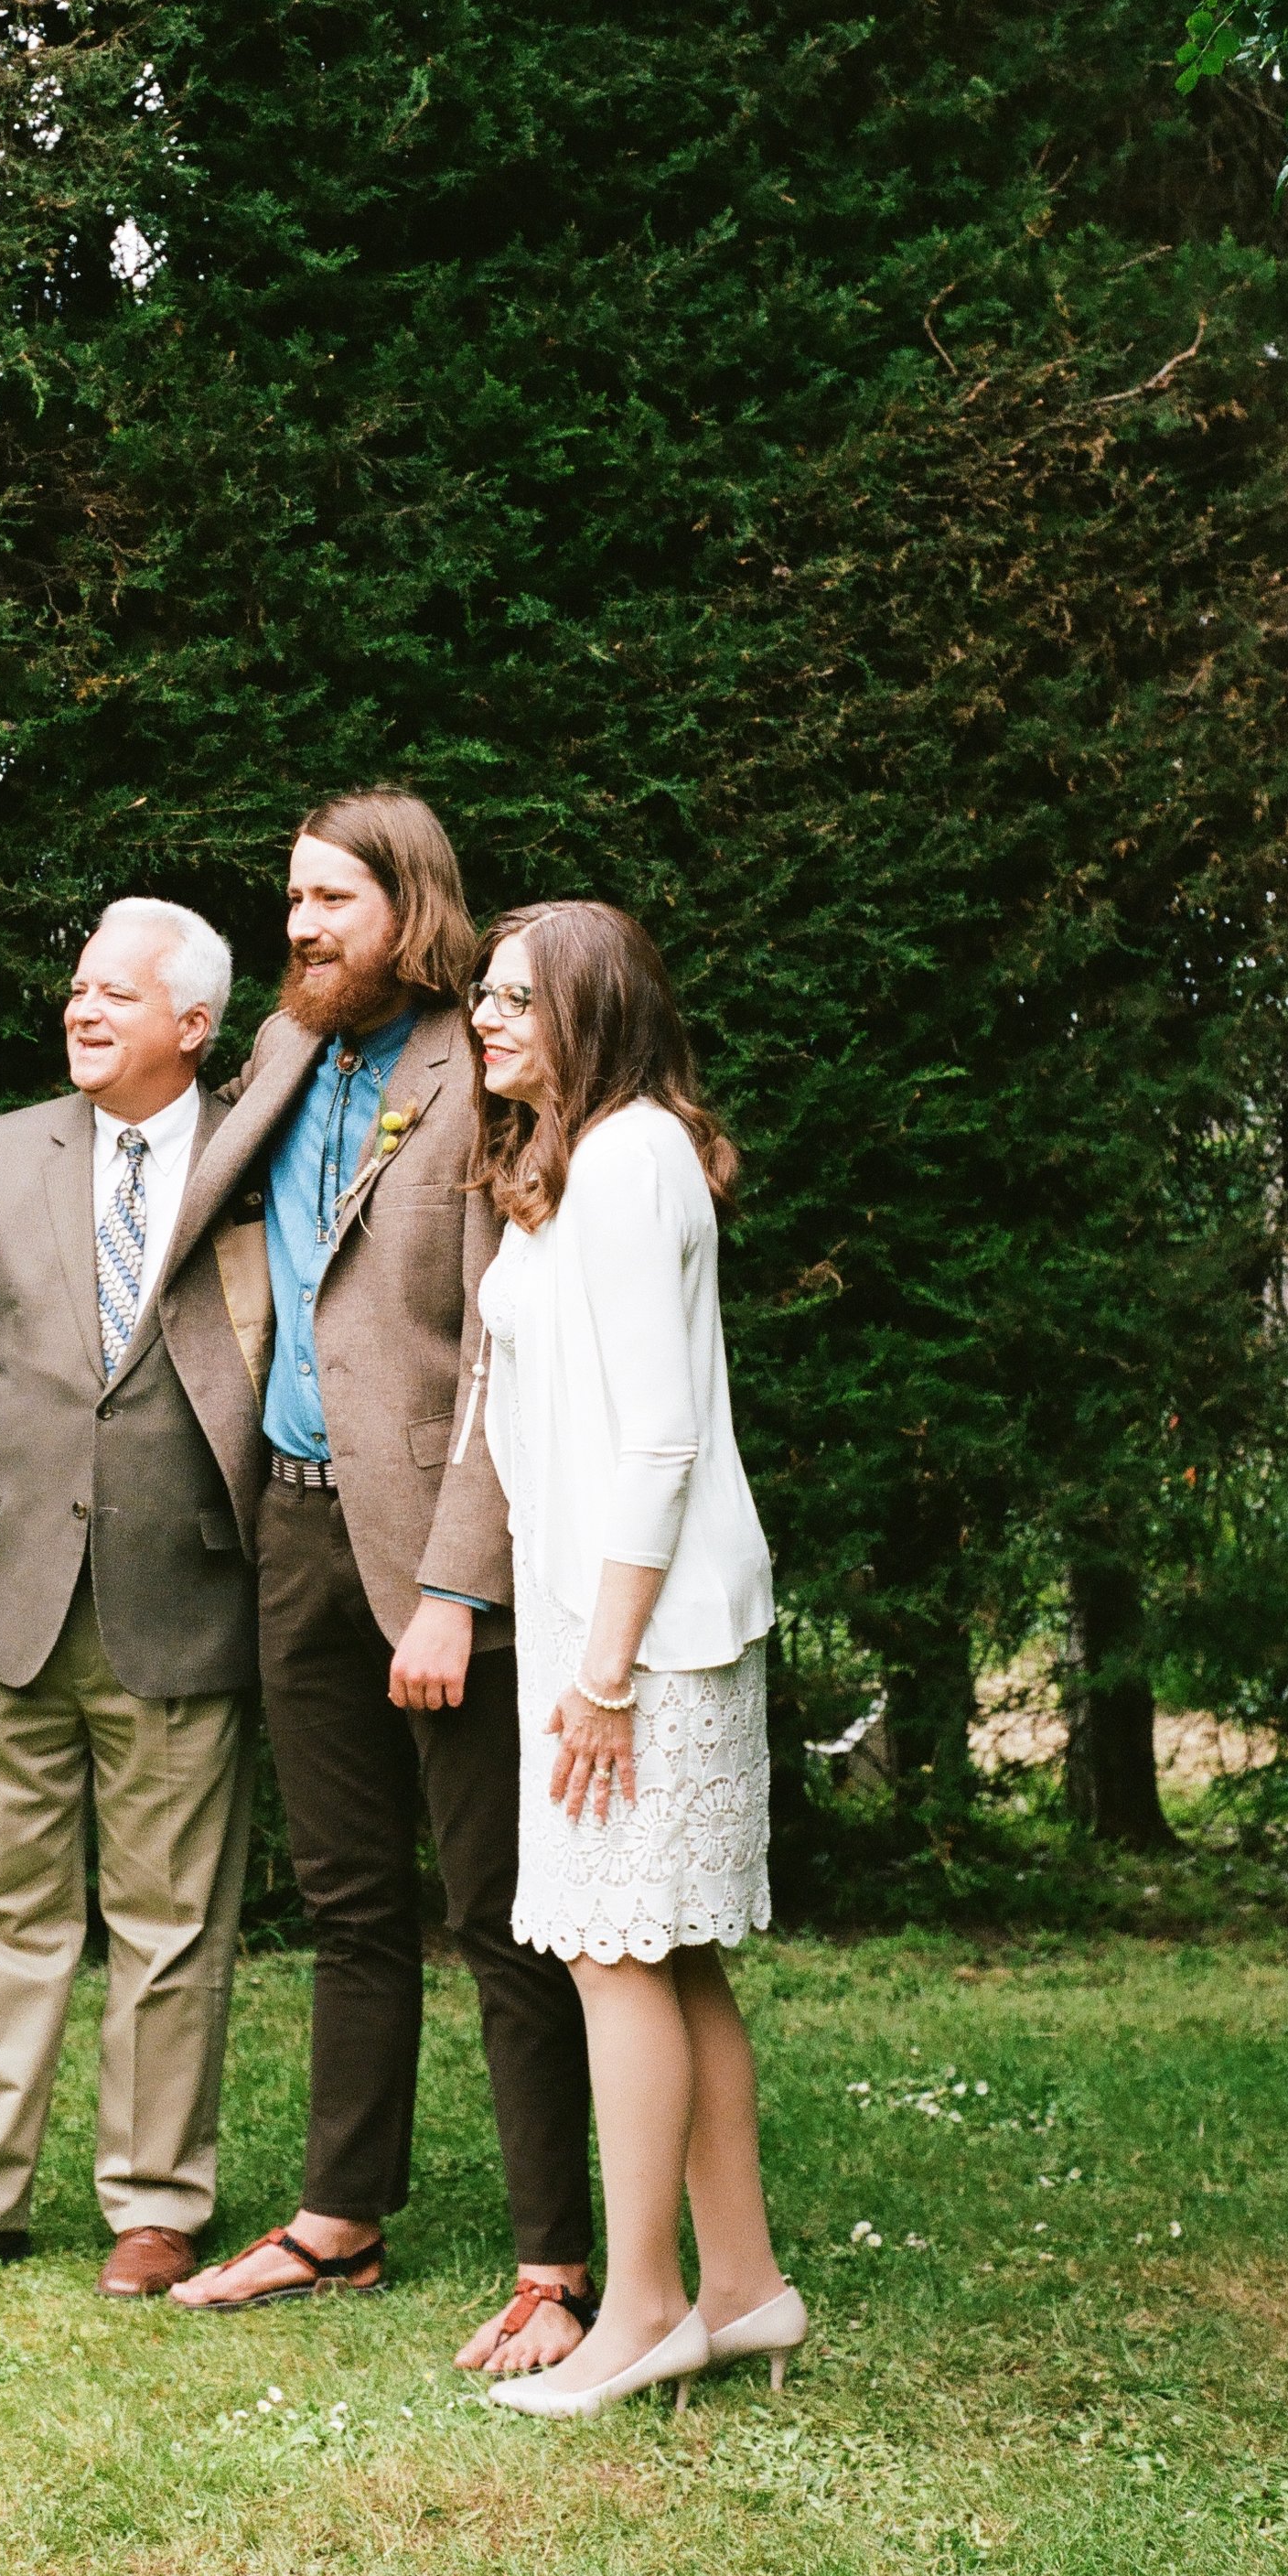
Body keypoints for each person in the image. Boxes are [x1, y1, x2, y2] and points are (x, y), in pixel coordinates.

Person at [0, 794, 598, 2377]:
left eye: (333, 901)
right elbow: (123, 1166)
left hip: (436, 1555)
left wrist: (457, 1585)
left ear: (410, 908)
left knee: (498, 1911)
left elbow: (511, 1343)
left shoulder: (479, 1070)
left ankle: (552, 2257)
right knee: (355, 1907)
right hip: (287, 1534)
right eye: (292, 899)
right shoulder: (288, 1060)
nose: (303, 926)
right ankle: (337, 2222)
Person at [0, 898, 272, 2302]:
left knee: (171, 1923)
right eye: (78, 989)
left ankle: (155, 2205)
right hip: (5, 1601)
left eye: (117, 995)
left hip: (186, 1597)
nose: (82, 1011)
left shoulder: (262, 1148)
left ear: (196, 1026)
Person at [463, 900, 807, 2421]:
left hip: (639, 1639)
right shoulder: (596, 1155)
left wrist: (600, 1673)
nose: (485, 1018)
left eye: (518, 1000)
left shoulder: (620, 1162)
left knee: (616, 1952)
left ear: (594, 1012)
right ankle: (745, 2289)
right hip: (617, 1624)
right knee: (668, 1947)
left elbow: (658, 1439)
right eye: (483, 995)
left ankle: (650, 2304)